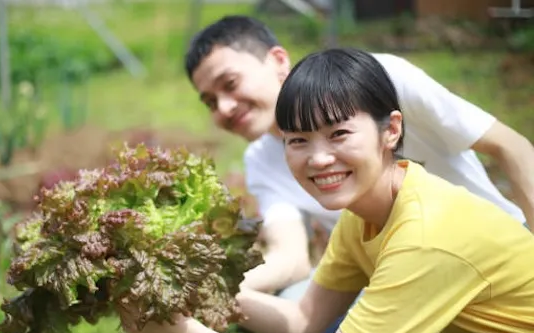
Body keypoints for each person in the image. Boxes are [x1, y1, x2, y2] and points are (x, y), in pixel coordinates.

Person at [121, 47, 534, 333]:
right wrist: (188, 289)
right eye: (298, 141)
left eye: (338, 135)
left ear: (391, 130)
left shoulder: (425, 236)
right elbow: (303, 321)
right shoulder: (367, 213)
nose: (318, 159)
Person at [183, 15, 534, 299]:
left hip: (492, 252)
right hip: (398, 279)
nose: (224, 108)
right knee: (296, 299)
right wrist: (214, 289)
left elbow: (512, 146)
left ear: (277, 60)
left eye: (229, 84)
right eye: (210, 102)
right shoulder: (261, 160)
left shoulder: (379, 80)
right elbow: (290, 257)